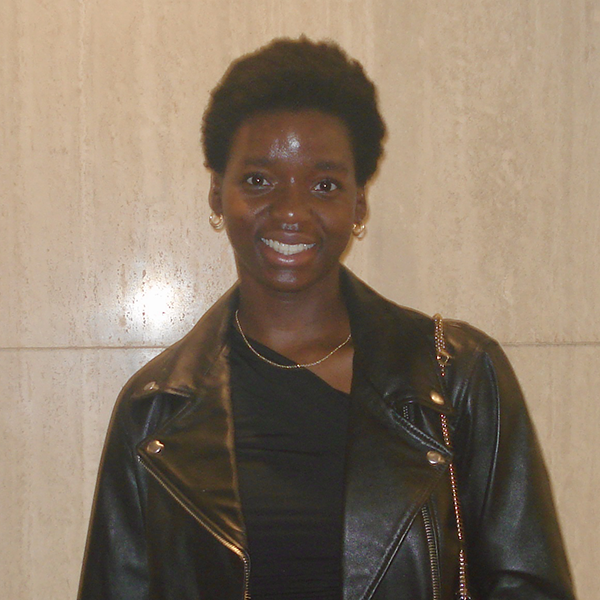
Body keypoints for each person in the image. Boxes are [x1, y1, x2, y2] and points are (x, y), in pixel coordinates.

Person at [78, 38, 575, 600]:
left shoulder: (456, 377)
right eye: (259, 179)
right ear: (217, 194)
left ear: (359, 203)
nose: (291, 210)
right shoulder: (154, 412)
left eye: (325, 185)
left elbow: (529, 585)